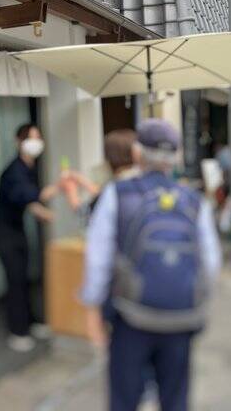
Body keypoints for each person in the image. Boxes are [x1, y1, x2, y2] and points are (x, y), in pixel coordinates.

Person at [81, 119, 221, 411]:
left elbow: (98, 257)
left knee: (124, 398)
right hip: (181, 316)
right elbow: (211, 262)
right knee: (175, 398)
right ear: (175, 158)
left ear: (137, 153)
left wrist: (92, 307)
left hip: (131, 315)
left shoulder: (117, 194)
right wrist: (197, 301)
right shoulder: (194, 201)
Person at [0, 124, 61, 352]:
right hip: (2, 231)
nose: (35, 142)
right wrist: (62, 185)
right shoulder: (14, 171)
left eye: (38, 138)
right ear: (18, 141)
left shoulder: (28, 166)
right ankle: (18, 332)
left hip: (15, 228)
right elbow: (33, 195)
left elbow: (27, 201)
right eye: (30, 138)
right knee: (16, 279)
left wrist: (43, 213)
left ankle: (31, 322)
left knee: (24, 276)